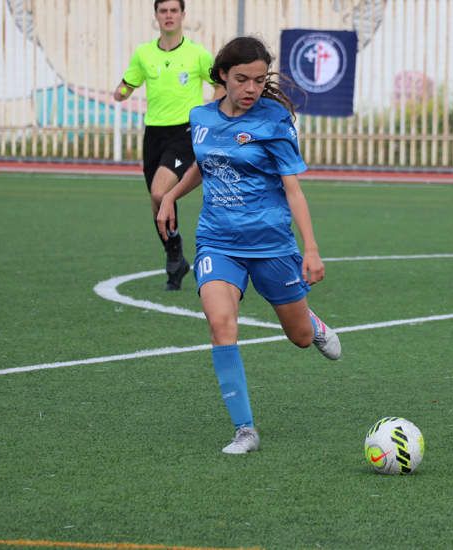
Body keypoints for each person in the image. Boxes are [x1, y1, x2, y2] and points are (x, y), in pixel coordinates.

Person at [156, 36, 342, 455]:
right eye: (242, 79)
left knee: (296, 336)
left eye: (259, 80)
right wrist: (169, 196)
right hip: (217, 241)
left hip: (272, 244)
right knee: (221, 323)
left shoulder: (274, 120)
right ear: (222, 75)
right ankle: (245, 430)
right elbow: (205, 167)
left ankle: (311, 325)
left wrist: (310, 248)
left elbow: (293, 189)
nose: (251, 89)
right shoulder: (201, 117)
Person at [112, 0, 221, 290]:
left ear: (183, 15)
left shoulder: (197, 54)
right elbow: (128, 84)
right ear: (156, 16)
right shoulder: (144, 54)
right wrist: (122, 91)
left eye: (174, 11)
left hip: (185, 132)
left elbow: (220, 84)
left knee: (162, 191)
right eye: (163, 11)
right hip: (154, 133)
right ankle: (175, 258)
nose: (169, 16)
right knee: (155, 199)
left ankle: (177, 250)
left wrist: (213, 113)